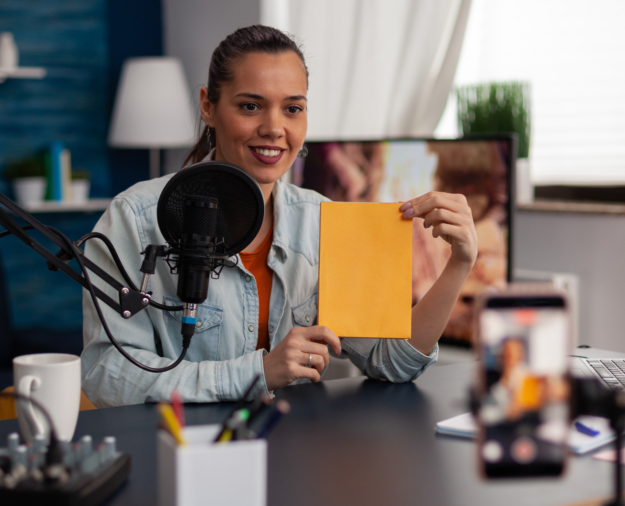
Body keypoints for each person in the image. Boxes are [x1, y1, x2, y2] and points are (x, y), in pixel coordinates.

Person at [81, 25, 478, 407]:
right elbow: (105, 375)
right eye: (250, 106)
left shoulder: (326, 220)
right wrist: (256, 372)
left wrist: (459, 264)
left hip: (292, 452)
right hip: (183, 453)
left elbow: (393, 363)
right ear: (208, 106)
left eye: (292, 108)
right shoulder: (135, 219)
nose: (274, 128)